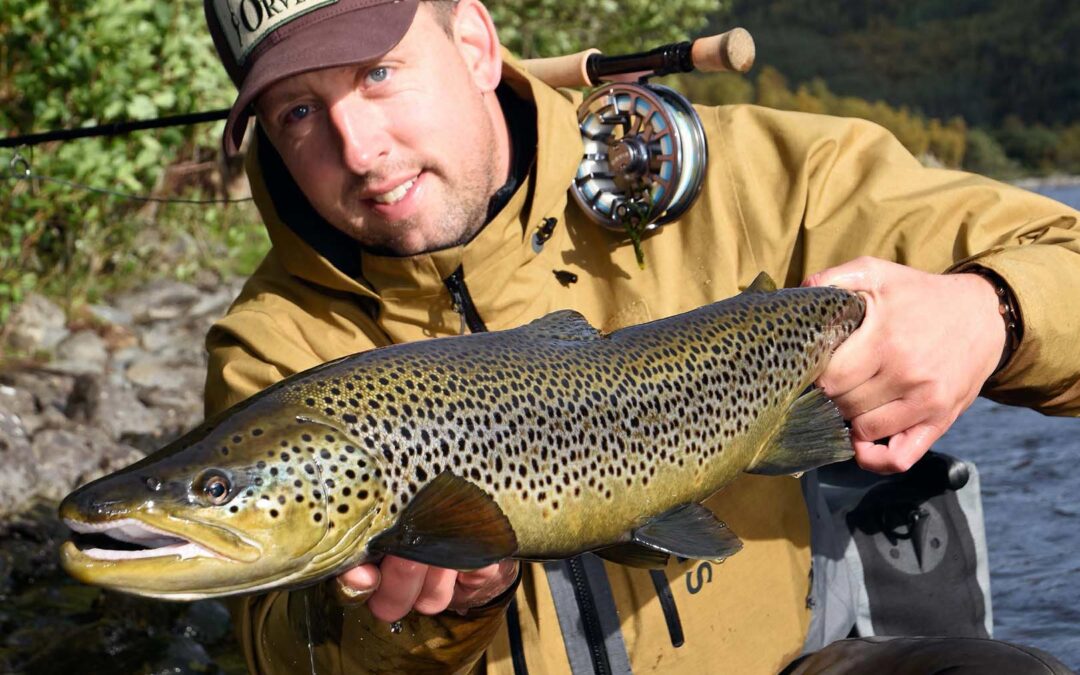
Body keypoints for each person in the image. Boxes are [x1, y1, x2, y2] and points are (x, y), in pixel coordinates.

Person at [201, 0, 1080, 672]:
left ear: (473, 45)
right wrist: (430, 617)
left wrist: (992, 312)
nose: (358, 148)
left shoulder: (759, 183)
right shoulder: (274, 346)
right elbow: (283, 648)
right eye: (297, 113)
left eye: (380, 74)